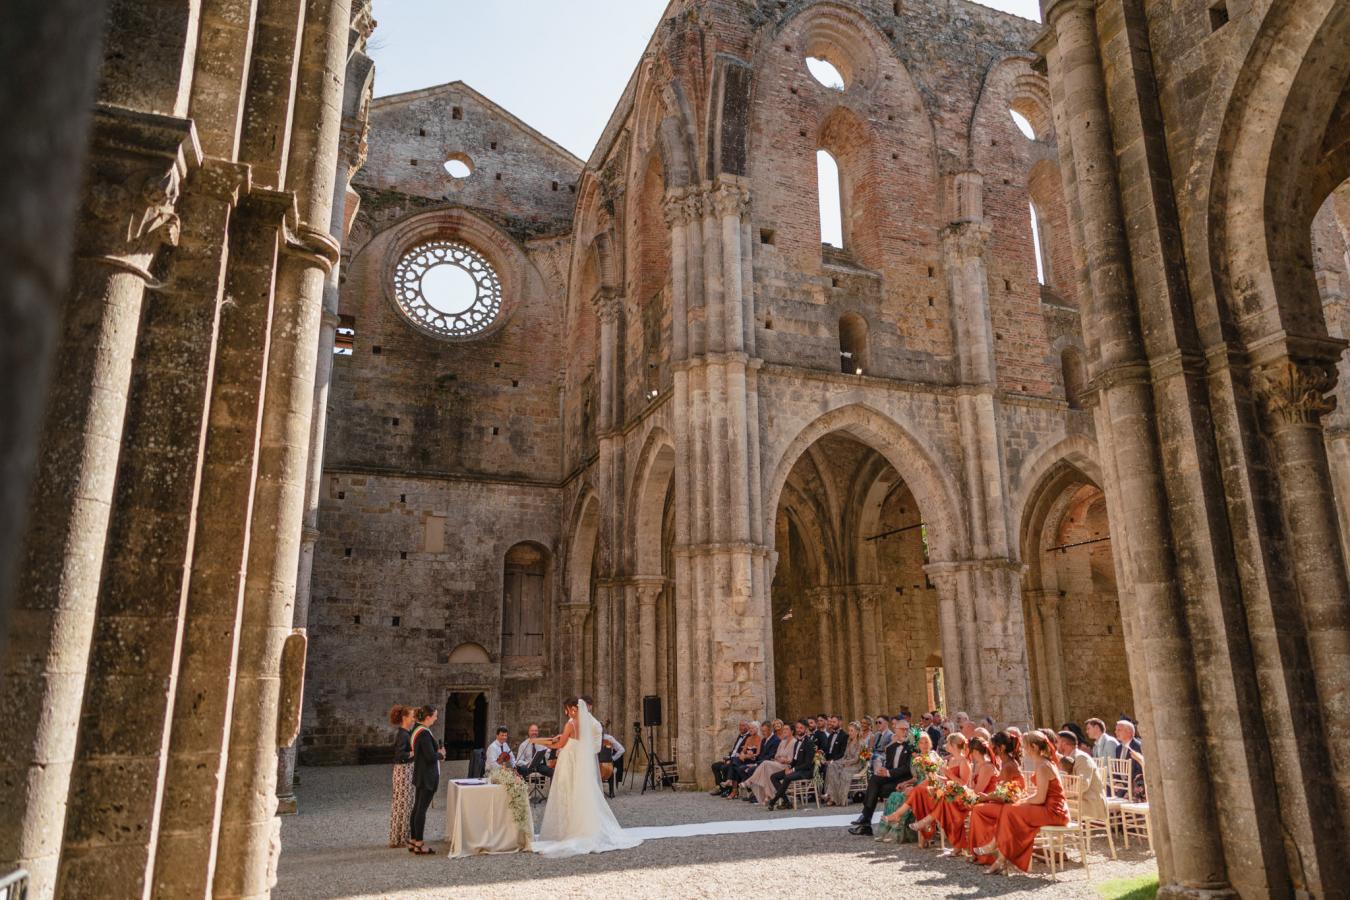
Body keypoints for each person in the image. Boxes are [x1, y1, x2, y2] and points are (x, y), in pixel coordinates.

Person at [529, 697, 642, 857]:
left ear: (571, 709)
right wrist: (561, 738)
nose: (566, 711)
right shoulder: (586, 724)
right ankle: (581, 826)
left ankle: (570, 828)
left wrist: (542, 741)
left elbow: (560, 745)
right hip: (578, 757)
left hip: (569, 758)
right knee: (579, 792)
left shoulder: (570, 723)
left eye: (566, 709)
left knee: (567, 790)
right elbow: (577, 740)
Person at [982, 731, 1070, 873]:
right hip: (1051, 807)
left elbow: (1040, 798)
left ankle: (997, 848)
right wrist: (1023, 800)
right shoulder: (1043, 763)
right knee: (1009, 809)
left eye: (1025, 746)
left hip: (1054, 811)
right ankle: (1000, 858)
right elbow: (1041, 796)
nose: (1022, 749)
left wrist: (1023, 801)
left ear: (1034, 747)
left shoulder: (1043, 766)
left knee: (1010, 810)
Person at [967, 730, 1026, 864]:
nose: (991, 749)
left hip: (1012, 805)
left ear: (1002, 748)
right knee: (978, 809)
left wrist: (986, 797)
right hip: (1006, 801)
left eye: (993, 747)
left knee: (978, 810)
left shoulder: (1008, 765)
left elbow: (1003, 794)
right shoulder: (1006, 763)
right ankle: (983, 853)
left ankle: (986, 855)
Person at [935, 735, 998, 853]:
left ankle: (959, 844)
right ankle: (958, 843)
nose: (967, 752)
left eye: (969, 750)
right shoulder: (978, 765)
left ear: (974, 751)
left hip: (985, 800)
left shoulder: (986, 766)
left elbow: (978, 791)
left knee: (950, 802)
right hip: (977, 798)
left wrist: (962, 790)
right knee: (948, 801)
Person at [848, 722, 914, 835]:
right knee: (875, 778)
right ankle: (866, 820)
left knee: (876, 788)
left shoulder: (911, 747)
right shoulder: (891, 748)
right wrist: (883, 770)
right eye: (902, 729)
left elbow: (906, 769)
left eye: (907, 729)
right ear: (896, 730)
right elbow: (888, 766)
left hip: (904, 780)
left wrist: (887, 772)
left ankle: (866, 820)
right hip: (891, 777)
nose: (905, 731)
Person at [873, 731, 938, 843]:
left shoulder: (933, 756)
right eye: (921, 743)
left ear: (930, 743)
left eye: (926, 742)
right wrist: (905, 783)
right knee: (894, 795)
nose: (924, 745)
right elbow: (915, 778)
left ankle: (898, 833)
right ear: (918, 745)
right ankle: (888, 830)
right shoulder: (915, 758)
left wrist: (914, 788)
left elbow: (933, 776)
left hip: (929, 787)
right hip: (917, 785)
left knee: (901, 798)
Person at [909, 733, 971, 847]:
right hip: (950, 792)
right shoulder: (952, 760)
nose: (945, 745)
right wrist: (937, 776)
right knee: (927, 795)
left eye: (948, 743)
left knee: (940, 799)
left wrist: (947, 773)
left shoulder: (964, 761)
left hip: (961, 796)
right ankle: (926, 831)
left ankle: (925, 824)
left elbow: (963, 784)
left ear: (953, 745)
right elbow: (947, 779)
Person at [408, 705, 445, 855]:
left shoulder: (416, 729)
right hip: (427, 776)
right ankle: (419, 843)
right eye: (435, 716)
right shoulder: (423, 733)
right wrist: (441, 754)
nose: (436, 718)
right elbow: (430, 756)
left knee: (417, 808)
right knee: (421, 810)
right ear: (428, 717)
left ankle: (413, 840)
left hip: (421, 773)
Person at [1056, 730, 1108, 823]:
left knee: (1054, 807)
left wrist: (1062, 794)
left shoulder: (1081, 758)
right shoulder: (1067, 759)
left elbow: (1083, 784)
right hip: (1077, 799)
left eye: (1057, 742)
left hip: (1089, 802)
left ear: (1063, 744)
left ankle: (1058, 835)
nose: (1055, 745)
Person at [767, 721, 818, 811]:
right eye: (797, 727)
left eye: (801, 728)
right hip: (797, 769)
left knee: (787, 777)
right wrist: (789, 767)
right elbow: (794, 760)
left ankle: (773, 801)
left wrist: (793, 769)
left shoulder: (809, 743)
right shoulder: (797, 742)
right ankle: (787, 802)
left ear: (806, 729)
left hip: (806, 771)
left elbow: (808, 764)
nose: (798, 730)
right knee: (773, 777)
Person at [745, 722, 795, 804]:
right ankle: (767, 796)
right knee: (766, 771)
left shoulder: (794, 742)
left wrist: (784, 760)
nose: (784, 731)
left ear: (792, 731)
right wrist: (779, 758)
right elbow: (776, 755)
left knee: (765, 763)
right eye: (784, 729)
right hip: (777, 764)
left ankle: (750, 781)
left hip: (786, 766)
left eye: (787, 729)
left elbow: (792, 759)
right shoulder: (782, 742)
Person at [388, 704, 415, 848]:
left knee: (400, 804)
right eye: (411, 716)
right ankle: (402, 837)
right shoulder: (403, 734)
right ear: (405, 718)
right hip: (403, 771)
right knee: (403, 804)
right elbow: (399, 755)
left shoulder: (404, 732)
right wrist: (413, 753)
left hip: (403, 771)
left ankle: (397, 837)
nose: (413, 719)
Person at [824, 721, 862, 806]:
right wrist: (839, 762)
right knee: (832, 766)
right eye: (849, 730)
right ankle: (831, 795)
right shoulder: (849, 742)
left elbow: (856, 759)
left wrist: (846, 763)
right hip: (846, 762)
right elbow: (844, 755)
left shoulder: (860, 743)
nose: (850, 733)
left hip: (855, 765)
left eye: (852, 731)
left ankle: (835, 797)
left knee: (842, 772)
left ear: (857, 732)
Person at [710, 721, 751, 795]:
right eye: (740, 726)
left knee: (724, 767)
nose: (741, 727)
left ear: (748, 727)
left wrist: (731, 759)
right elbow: (735, 750)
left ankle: (727, 789)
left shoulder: (749, 737)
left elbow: (743, 752)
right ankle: (720, 787)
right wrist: (728, 757)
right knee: (715, 766)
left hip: (739, 760)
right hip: (731, 758)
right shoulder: (739, 736)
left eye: (743, 725)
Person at [1114, 719, 1145, 800]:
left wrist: (1125, 785)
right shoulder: (1118, 748)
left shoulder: (1138, 746)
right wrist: (1117, 782)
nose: (1115, 732)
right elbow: (1117, 768)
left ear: (1129, 732)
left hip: (1135, 785)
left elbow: (1140, 771)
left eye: (1119, 730)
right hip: (1122, 786)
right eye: (1116, 730)